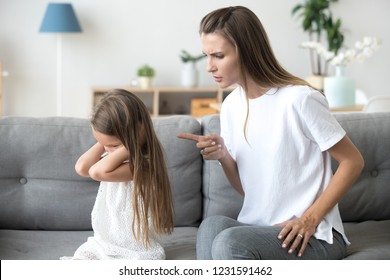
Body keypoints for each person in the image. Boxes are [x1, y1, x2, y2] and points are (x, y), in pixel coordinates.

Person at [177, 6, 364, 260]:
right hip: (262, 230)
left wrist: (309, 219)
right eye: (206, 56)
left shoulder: (300, 99)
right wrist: (223, 155)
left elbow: (353, 161)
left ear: (246, 51)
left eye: (218, 55)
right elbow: (249, 190)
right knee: (211, 227)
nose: (209, 66)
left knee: (231, 243)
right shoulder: (232, 105)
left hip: (313, 236)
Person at [70, 89, 174, 260]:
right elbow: (82, 168)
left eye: (114, 145)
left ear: (136, 135)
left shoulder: (143, 166)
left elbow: (96, 172)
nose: (108, 150)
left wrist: (130, 141)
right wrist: (106, 142)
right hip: (104, 243)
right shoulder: (113, 157)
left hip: (134, 247)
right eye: (104, 145)